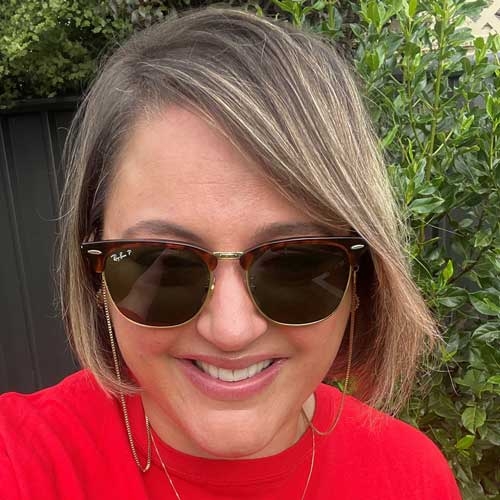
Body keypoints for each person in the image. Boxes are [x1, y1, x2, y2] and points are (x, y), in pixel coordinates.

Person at [0, 7, 461, 499]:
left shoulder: (410, 478)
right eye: (162, 262)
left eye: (295, 264)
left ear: (362, 277)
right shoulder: (24, 463)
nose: (231, 330)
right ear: (94, 272)